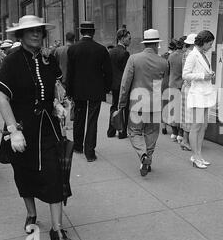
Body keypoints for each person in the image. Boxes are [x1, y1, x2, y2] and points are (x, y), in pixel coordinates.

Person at [0, 15, 71, 240]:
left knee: (55, 175)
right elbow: (2, 96)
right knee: (24, 174)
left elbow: (58, 87)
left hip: (48, 128)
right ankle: (31, 213)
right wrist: (12, 130)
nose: (36, 34)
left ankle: (57, 229)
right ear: (21, 35)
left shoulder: (49, 59)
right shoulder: (12, 61)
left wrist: (59, 103)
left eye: (39, 30)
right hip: (22, 128)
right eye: (31, 31)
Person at [118, 29, 168, 176]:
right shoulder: (163, 62)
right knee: (152, 133)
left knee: (134, 132)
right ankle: (148, 159)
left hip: (137, 103)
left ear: (145, 43)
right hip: (155, 104)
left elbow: (125, 83)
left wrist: (121, 103)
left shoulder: (134, 59)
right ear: (157, 44)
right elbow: (165, 87)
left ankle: (143, 155)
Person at [66, 21, 112, 162]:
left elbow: (70, 73)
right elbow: (108, 72)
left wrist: (69, 91)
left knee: (79, 118)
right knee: (92, 121)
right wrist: (106, 88)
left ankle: (78, 146)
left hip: (78, 90)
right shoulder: (101, 49)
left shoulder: (73, 49)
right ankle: (90, 152)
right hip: (95, 90)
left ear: (81, 32)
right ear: (93, 32)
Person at [182, 30, 216, 169]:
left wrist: (209, 74)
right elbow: (185, 75)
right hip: (198, 94)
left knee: (203, 126)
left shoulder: (202, 54)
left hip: (205, 93)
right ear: (203, 42)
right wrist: (203, 76)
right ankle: (195, 157)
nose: (211, 46)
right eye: (210, 43)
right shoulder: (193, 55)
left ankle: (199, 155)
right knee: (196, 127)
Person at [107, 28, 131, 139]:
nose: (130, 40)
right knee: (123, 108)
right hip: (122, 84)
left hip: (114, 84)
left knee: (114, 106)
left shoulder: (111, 52)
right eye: (128, 38)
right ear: (122, 38)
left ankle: (111, 131)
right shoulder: (125, 53)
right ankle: (122, 132)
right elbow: (126, 72)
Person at [166, 36, 187, 147]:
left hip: (172, 84)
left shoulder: (171, 56)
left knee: (173, 110)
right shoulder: (184, 56)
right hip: (181, 85)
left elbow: (168, 70)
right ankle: (180, 133)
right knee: (181, 111)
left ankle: (174, 133)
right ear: (184, 45)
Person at [180, 34, 196, 151]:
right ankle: (186, 140)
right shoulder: (191, 54)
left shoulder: (186, 53)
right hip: (190, 87)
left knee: (186, 115)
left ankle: (185, 140)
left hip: (186, 86)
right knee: (189, 115)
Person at [161, 40, 177, 136]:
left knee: (164, 104)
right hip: (173, 82)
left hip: (164, 81)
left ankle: (163, 126)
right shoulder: (175, 57)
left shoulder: (163, 56)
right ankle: (173, 126)